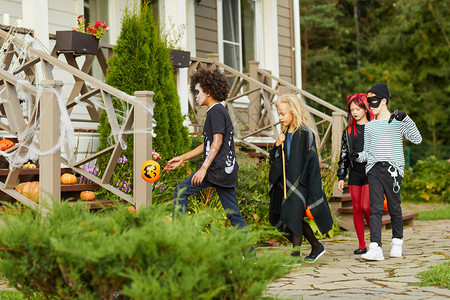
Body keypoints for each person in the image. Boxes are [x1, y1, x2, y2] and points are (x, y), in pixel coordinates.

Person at [167, 68, 247, 229]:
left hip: (215, 169)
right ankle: (251, 255)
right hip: (225, 171)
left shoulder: (215, 112)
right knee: (233, 213)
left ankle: (177, 239)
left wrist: (203, 168)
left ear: (208, 92)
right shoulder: (219, 110)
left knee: (181, 191)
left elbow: (217, 141)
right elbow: (208, 144)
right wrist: (183, 157)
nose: (196, 96)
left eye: (198, 92)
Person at [352, 83, 422, 261]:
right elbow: (367, 153)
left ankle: (397, 242)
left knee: (394, 208)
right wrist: (358, 157)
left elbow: (417, 139)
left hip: (393, 171)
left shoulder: (397, 122)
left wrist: (406, 118)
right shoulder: (370, 127)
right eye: (368, 102)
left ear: (384, 101)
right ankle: (375, 247)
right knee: (375, 208)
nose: (370, 105)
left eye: (373, 101)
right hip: (374, 169)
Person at [269, 94, 333, 262]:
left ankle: (295, 255)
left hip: (301, 182)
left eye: (283, 114)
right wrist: (277, 146)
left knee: (293, 214)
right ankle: (316, 246)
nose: (280, 117)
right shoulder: (284, 134)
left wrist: (307, 186)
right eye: (278, 114)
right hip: (285, 182)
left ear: (294, 112)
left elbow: (311, 161)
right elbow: (276, 159)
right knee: (285, 215)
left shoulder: (305, 133)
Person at [337, 93, 375, 255]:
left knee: (367, 206)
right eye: (352, 109)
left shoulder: (374, 127)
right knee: (357, 208)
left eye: (358, 109)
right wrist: (341, 176)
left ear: (365, 109)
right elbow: (343, 154)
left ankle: (375, 240)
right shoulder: (348, 131)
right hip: (354, 174)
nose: (355, 112)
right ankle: (362, 244)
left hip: (371, 172)